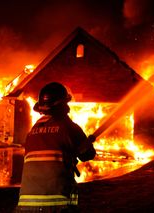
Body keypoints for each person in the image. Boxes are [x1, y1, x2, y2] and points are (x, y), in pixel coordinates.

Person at [16, 82, 96, 213]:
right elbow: (88, 155)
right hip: (58, 205)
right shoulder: (68, 127)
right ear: (63, 105)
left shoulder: (33, 131)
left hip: (25, 205)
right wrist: (85, 144)